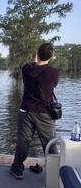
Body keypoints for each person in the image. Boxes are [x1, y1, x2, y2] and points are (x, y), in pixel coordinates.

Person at [10, 43, 59, 179]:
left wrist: (36, 59)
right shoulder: (53, 71)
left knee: (23, 141)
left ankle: (17, 169)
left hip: (26, 110)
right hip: (44, 112)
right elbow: (53, 85)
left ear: (36, 55)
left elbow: (33, 65)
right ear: (51, 56)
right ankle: (54, 173)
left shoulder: (26, 69)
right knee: (50, 143)